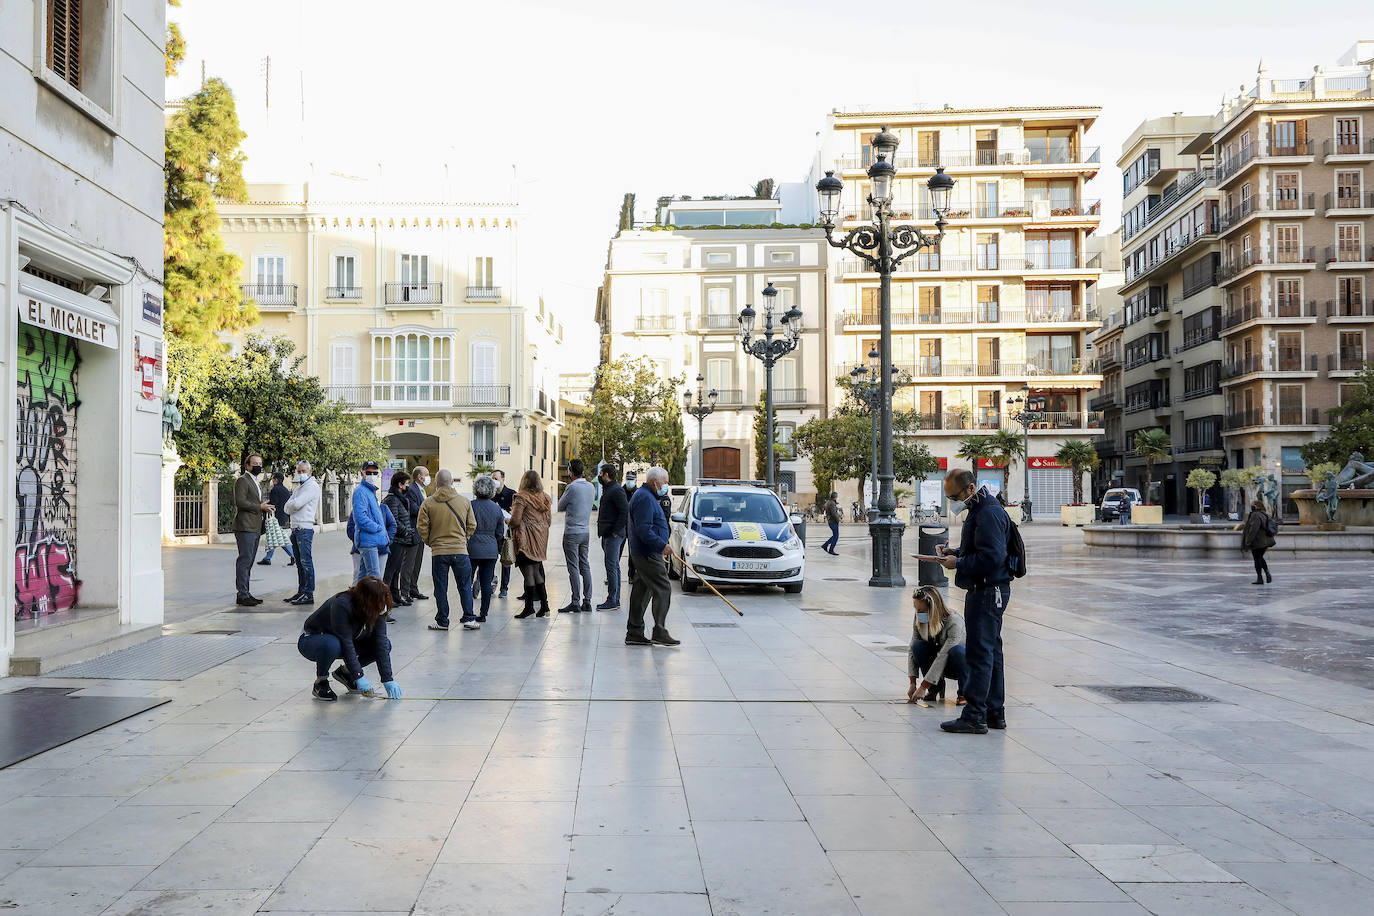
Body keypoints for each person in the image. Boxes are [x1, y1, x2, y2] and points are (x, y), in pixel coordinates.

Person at [934, 468, 1011, 735]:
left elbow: (993, 557)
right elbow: (983, 549)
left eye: (954, 496)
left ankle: (975, 715)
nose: (953, 502)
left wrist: (960, 563)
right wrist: (955, 552)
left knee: (980, 652)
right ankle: (993, 712)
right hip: (988, 589)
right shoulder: (982, 510)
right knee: (992, 652)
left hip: (988, 590)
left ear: (970, 488)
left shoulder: (988, 512)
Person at [297, 576, 402, 702]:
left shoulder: (378, 606)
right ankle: (321, 682)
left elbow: (380, 641)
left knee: (385, 645)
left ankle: (345, 673)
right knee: (332, 644)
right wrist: (359, 676)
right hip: (313, 639)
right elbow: (346, 643)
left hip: (345, 639)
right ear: (366, 600)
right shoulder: (341, 604)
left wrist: (388, 679)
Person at [417, 469, 478, 631]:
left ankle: (443, 621)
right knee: (465, 585)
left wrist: (431, 542)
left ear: (436, 483)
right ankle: (469, 618)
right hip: (460, 551)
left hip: (439, 552)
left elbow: (421, 527)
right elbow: (472, 525)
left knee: (440, 587)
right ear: (451, 482)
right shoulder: (464, 502)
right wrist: (463, 539)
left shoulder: (428, 503)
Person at [626, 466, 679, 647]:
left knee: (642, 590)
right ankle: (659, 631)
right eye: (664, 482)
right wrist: (661, 545)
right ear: (655, 482)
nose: (666, 486)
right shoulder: (645, 498)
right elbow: (644, 529)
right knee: (663, 587)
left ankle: (634, 631)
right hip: (648, 553)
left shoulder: (646, 496)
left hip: (645, 551)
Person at [907, 585, 968, 706]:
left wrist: (923, 686)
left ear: (933, 609)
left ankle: (964, 692)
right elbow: (912, 649)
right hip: (937, 662)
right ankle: (934, 688)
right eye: (916, 609)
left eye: (921, 610)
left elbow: (944, 655)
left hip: (957, 663)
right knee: (917, 646)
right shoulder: (919, 617)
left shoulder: (954, 622)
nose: (917, 613)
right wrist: (912, 682)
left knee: (958, 651)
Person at [510, 470, 553, 619]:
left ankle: (529, 608)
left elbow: (515, 521)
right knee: (536, 572)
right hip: (540, 540)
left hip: (526, 539)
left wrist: (506, 520)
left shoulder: (521, 498)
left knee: (528, 573)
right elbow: (549, 521)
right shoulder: (545, 498)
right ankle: (545, 607)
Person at [232, 453, 272, 606]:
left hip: (255, 526)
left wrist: (264, 508)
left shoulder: (256, 481)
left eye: (260, 463)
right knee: (245, 560)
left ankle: (245, 592)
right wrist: (259, 507)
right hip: (245, 526)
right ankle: (242, 594)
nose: (258, 466)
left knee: (249, 561)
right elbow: (240, 502)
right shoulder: (242, 480)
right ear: (247, 465)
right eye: (254, 463)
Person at [558, 458, 596, 613]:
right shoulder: (591, 487)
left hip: (572, 532)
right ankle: (587, 601)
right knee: (585, 565)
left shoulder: (571, 488)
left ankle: (575, 601)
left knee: (573, 567)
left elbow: (560, 506)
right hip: (585, 532)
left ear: (570, 471)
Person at [468, 475, 506, 623]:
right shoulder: (496, 509)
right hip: (490, 550)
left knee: (467, 581)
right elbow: (499, 533)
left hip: (472, 548)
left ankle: (468, 611)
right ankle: (483, 614)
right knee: (485, 583)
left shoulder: (470, 505)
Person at [284, 460, 320, 606]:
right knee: (299, 563)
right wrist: (293, 505)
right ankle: (302, 591)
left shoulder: (312, 486)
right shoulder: (300, 487)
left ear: (310, 472)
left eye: (303, 471)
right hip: (295, 528)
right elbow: (287, 507)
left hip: (304, 529)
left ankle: (308, 593)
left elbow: (296, 504)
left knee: (306, 562)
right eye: (299, 471)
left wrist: (293, 505)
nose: (301, 474)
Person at [382, 471, 419, 607]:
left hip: (401, 540)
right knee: (390, 571)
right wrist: (405, 531)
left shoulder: (398, 499)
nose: (408, 486)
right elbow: (394, 521)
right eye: (406, 483)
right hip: (396, 540)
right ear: (400, 484)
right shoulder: (392, 499)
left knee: (396, 570)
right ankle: (386, 599)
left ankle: (395, 596)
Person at [595, 463, 629, 611]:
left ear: (607, 475)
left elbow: (624, 512)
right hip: (608, 533)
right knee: (614, 565)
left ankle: (612, 600)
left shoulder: (616, 491)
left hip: (613, 535)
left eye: (601, 474)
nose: (599, 477)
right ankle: (616, 599)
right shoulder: (609, 489)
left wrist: (615, 531)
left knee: (611, 566)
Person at [351, 460, 388, 582]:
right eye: (369, 472)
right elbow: (360, 518)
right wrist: (377, 528)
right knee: (374, 578)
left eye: (375, 473)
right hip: (368, 541)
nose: (372, 475)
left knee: (362, 577)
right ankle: (374, 601)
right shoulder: (360, 491)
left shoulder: (370, 491)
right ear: (362, 474)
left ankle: (354, 600)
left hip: (370, 540)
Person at [402, 465, 431, 602]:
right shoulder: (411, 489)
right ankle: (405, 592)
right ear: (420, 477)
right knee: (409, 563)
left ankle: (413, 589)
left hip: (420, 532)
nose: (428, 477)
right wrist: (429, 511)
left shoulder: (421, 490)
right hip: (413, 531)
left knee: (417, 562)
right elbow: (414, 509)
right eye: (427, 474)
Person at [258, 472, 296, 566]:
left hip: (274, 517)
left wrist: (265, 506)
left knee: (277, 537)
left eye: (272, 479)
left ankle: (292, 556)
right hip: (283, 516)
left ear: (276, 480)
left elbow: (273, 505)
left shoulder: (275, 490)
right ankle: (268, 558)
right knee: (277, 537)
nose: (272, 481)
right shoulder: (286, 490)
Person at [1238, 498, 1276, 584]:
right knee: (1260, 558)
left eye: (1253, 505)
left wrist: (1248, 541)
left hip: (1258, 541)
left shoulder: (1255, 515)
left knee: (1257, 559)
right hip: (1265, 541)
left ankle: (1260, 578)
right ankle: (1266, 573)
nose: (1251, 507)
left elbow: (1253, 529)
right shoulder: (1264, 514)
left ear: (1257, 506)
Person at [492, 469, 517, 598]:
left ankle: (504, 588)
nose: (494, 481)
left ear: (503, 479)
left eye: (496, 478)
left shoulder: (512, 494)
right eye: (492, 478)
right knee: (489, 559)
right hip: (492, 533)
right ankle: (490, 581)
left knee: (506, 561)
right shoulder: (490, 495)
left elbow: (517, 514)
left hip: (506, 533)